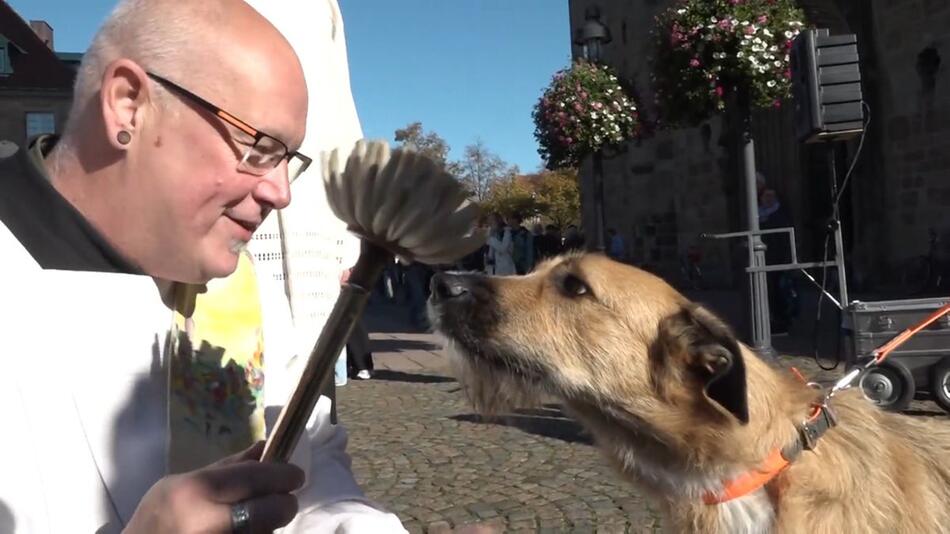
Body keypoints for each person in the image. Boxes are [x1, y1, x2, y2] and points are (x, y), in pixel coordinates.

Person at [0, 1, 405, 532]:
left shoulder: (237, 282)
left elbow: (307, 457)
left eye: (289, 160)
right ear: (128, 105)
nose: (280, 192)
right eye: (259, 148)